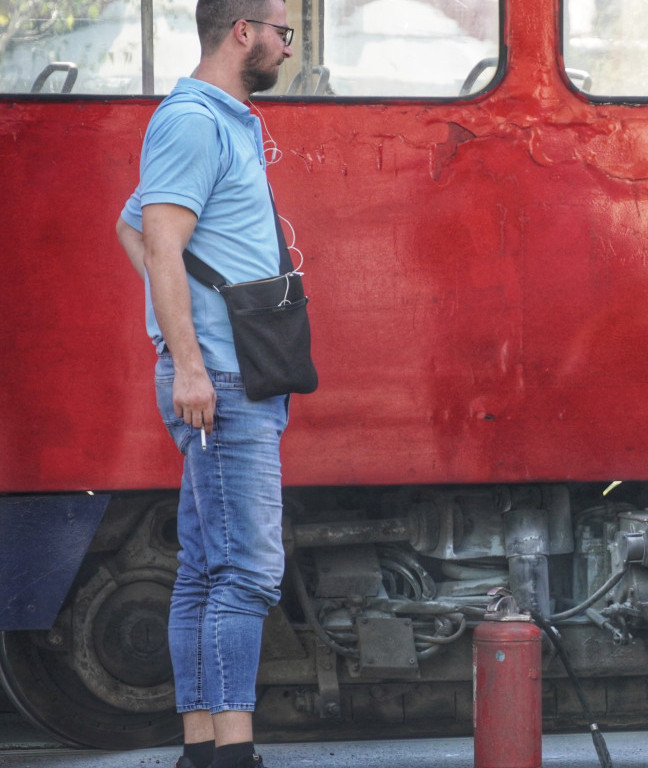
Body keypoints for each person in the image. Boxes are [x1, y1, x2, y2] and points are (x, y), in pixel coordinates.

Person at [114, 1, 295, 767]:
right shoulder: (193, 120)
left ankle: (201, 749)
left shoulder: (224, 119)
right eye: (283, 31)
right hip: (221, 379)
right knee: (248, 571)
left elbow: (134, 229)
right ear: (242, 32)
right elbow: (158, 242)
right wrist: (188, 357)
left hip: (231, 370)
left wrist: (191, 306)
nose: (289, 47)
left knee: (204, 568)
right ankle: (232, 754)